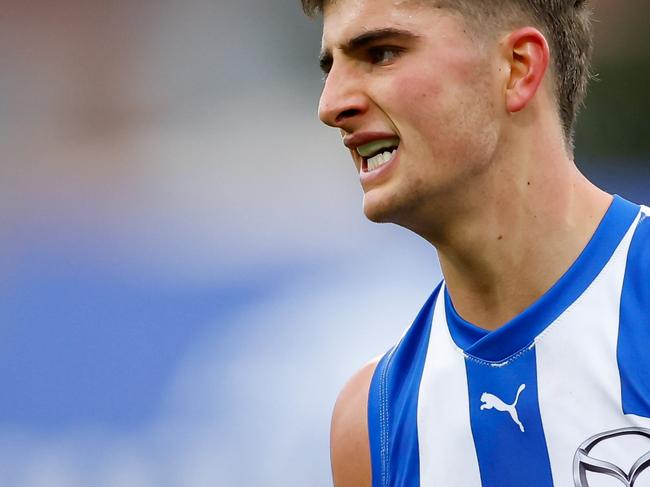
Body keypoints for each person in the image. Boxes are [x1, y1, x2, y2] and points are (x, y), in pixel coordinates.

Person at [301, 0, 650, 486]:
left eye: (381, 53)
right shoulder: (372, 426)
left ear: (517, 68)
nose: (331, 105)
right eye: (330, 66)